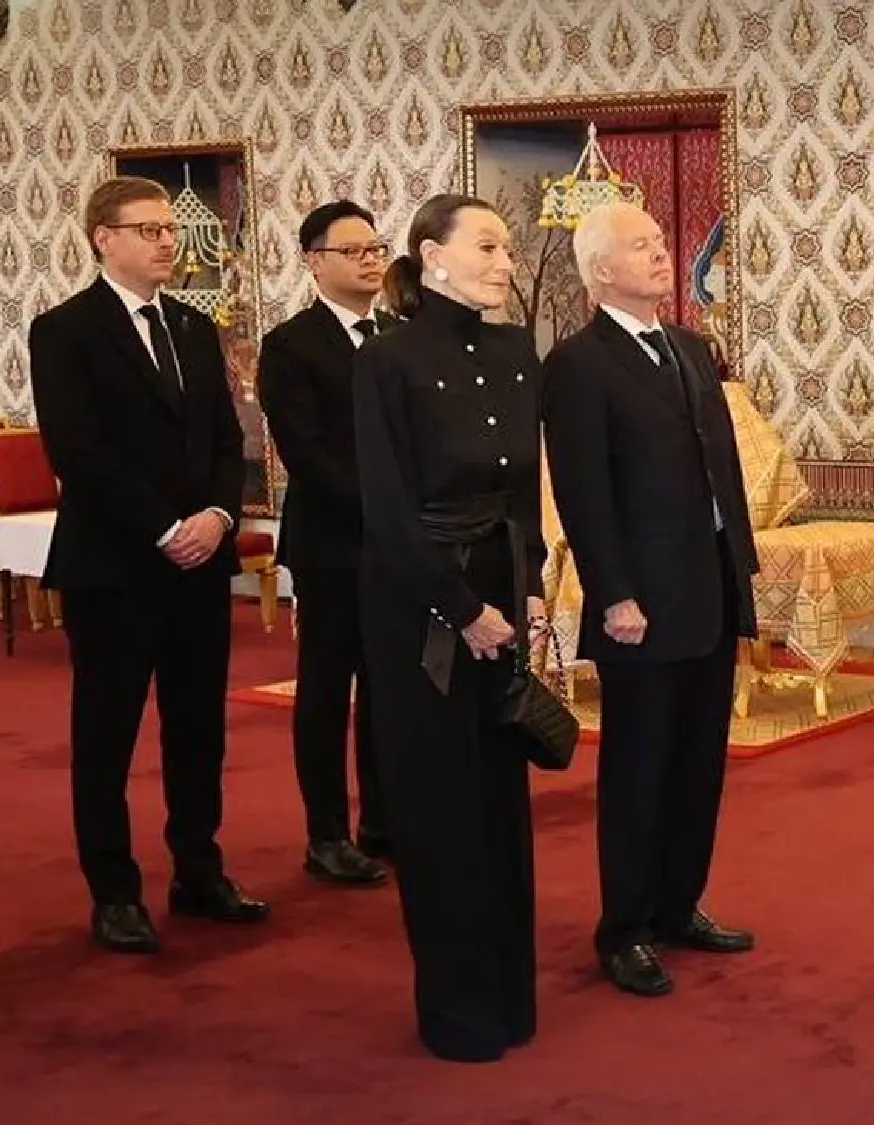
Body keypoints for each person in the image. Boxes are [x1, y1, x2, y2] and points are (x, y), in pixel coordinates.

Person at [28, 176, 269, 954]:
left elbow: (226, 439)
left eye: (172, 228)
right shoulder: (64, 330)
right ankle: (114, 890)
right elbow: (78, 451)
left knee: (198, 730)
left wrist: (218, 515)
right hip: (116, 565)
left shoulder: (195, 329)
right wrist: (165, 524)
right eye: (150, 229)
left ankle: (198, 870)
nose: (169, 241)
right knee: (107, 734)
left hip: (199, 562)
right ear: (104, 237)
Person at [542, 202, 760, 998]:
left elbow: (720, 468)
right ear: (601, 269)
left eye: (661, 242)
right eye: (642, 246)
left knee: (700, 760)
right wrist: (614, 592)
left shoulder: (692, 350)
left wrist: (740, 565)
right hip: (641, 599)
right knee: (638, 767)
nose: (662, 254)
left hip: (707, 582)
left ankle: (679, 903)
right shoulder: (578, 364)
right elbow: (583, 490)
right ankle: (624, 927)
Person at [351, 193, 548, 1062]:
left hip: (501, 587)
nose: (506, 261)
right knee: (440, 809)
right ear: (432, 256)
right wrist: (462, 610)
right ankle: (458, 1009)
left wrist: (531, 584)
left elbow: (521, 488)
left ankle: (509, 995)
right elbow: (387, 508)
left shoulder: (514, 349)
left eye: (507, 247)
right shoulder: (388, 360)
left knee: (499, 803)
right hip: (419, 605)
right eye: (490, 246)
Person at [257, 200, 393, 886]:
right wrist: (384, 510)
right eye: (354, 250)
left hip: (399, 548)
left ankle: (382, 817)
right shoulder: (292, 345)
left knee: (386, 685)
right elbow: (305, 452)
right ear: (314, 261)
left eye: (376, 247)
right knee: (325, 688)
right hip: (333, 544)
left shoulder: (399, 334)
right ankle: (326, 831)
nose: (372, 260)